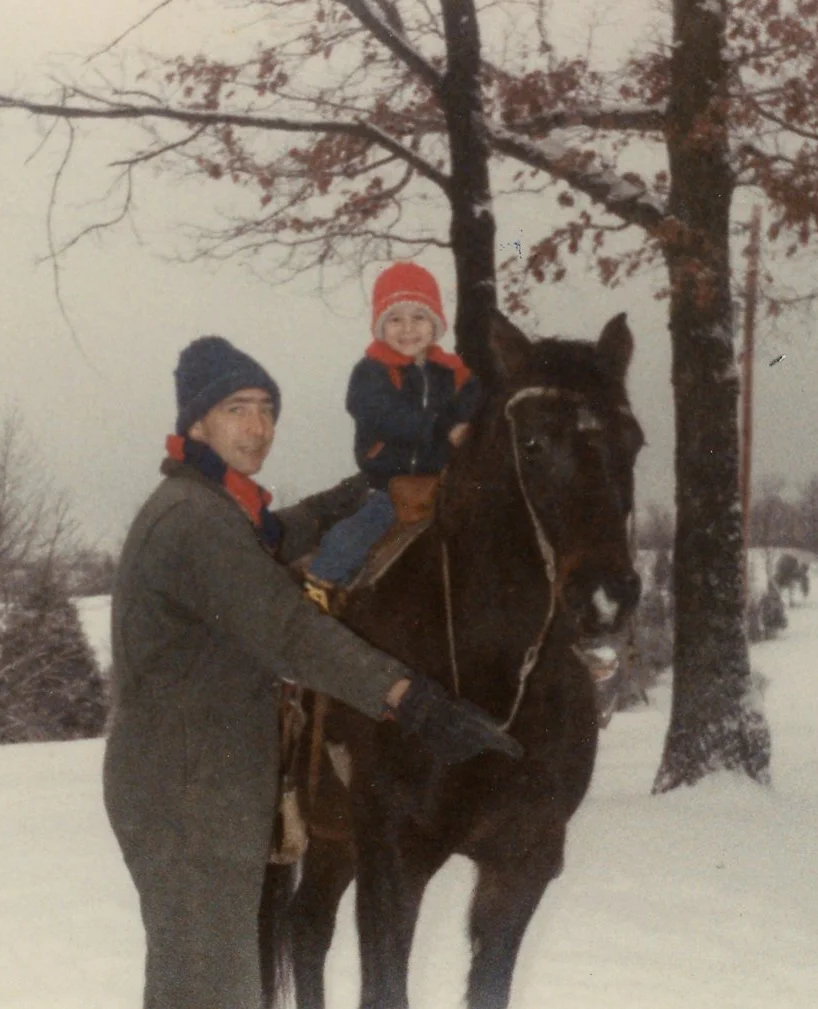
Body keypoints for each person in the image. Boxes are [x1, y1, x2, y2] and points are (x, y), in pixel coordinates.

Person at [103, 335, 521, 1009]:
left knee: (201, 983)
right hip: (187, 795)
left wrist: (347, 497)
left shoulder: (215, 509)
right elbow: (289, 628)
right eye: (237, 408)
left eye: (267, 408)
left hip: (196, 785)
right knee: (212, 991)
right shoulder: (193, 521)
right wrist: (407, 696)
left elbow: (272, 536)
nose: (258, 426)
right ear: (196, 421)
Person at [305, 261, 481, 592]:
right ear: (381, 326)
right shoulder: (371, 372)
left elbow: (473, 405)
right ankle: (318, 591)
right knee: (350, 538)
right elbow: (382, 413)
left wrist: (467, 424)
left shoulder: (454, 373)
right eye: (395, 319)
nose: (407, 329)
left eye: (419, 317)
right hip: (390, 484)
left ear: (435, 325)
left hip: (445, 484)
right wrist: (443, 426)